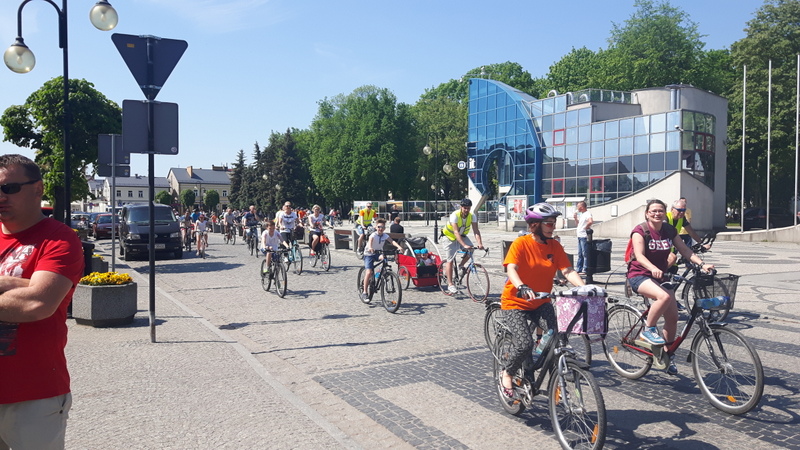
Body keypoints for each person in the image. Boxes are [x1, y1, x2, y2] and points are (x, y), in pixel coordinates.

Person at [0, 154, 84, 448]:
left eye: (9, 188)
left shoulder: (59, 239)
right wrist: (17, 285)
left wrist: (30, 291)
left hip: (33, 394)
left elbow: (37, 304)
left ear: (38, 188)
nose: (1, 197)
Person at [499, 203, 584, 399]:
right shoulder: (521, 243)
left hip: (541, 302)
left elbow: (567, 271)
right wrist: (521, 286)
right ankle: (508, 373)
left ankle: (556, 382)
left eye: (554, 223)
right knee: (524, 344)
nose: (552, 227)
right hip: (515, 302)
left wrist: (585, 288)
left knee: (558, 339)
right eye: (548, 223)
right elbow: (511, 268)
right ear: (535, 224)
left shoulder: (554, 246)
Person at [627, 199, 714, 375]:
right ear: (647, 213)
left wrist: (702, 264)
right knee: (664, 297)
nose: (657, 213)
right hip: (639, 275)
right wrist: (652, 268)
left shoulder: (669, 230)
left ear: (665, 213)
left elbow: (685, 250)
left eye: (660, 210)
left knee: (673, 317)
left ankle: (666, 355)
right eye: (653, 211)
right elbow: (639, 256)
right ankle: (648, 329)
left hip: (660, 276)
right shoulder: (640, 231)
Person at [442, 198, 484, 294]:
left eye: (468, 208)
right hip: (449, 237)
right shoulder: (455, 215)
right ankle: (450, 284)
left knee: (471, 250)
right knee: (450, 260)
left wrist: (480, 243)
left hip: (462, 236)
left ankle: (461, 265)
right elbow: (456, 232)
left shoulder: (472, 216)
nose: (466, 210)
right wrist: (464, 245)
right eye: (465, 208)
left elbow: (476, 230)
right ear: (461, 207)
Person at [360, 219, 404, 301]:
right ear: (376, 227)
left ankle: (382, 273)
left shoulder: (385, 236)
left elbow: (392, 241)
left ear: (384, 228)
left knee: (384, 259)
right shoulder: (373, 235)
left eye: (382, 227)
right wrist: (370, 247)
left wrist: (399, 247)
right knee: (368, 272)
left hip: (378, 253)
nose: (381, 228)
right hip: (369, 254)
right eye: (379, 227)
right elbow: (370, 241)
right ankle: (365, 292)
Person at [573, 201, 593, 274]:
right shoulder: (582, 214)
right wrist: (575, 218)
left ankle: (585, 268)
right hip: (579, 235)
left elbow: (590, 221)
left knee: (585, 253)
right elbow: (578, 224)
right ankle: (579, 268)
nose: (577, 208)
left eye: (578, 206)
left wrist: (586, 227)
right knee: (580, 253)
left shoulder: (587, 213)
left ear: (581, 207)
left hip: (583, 236)